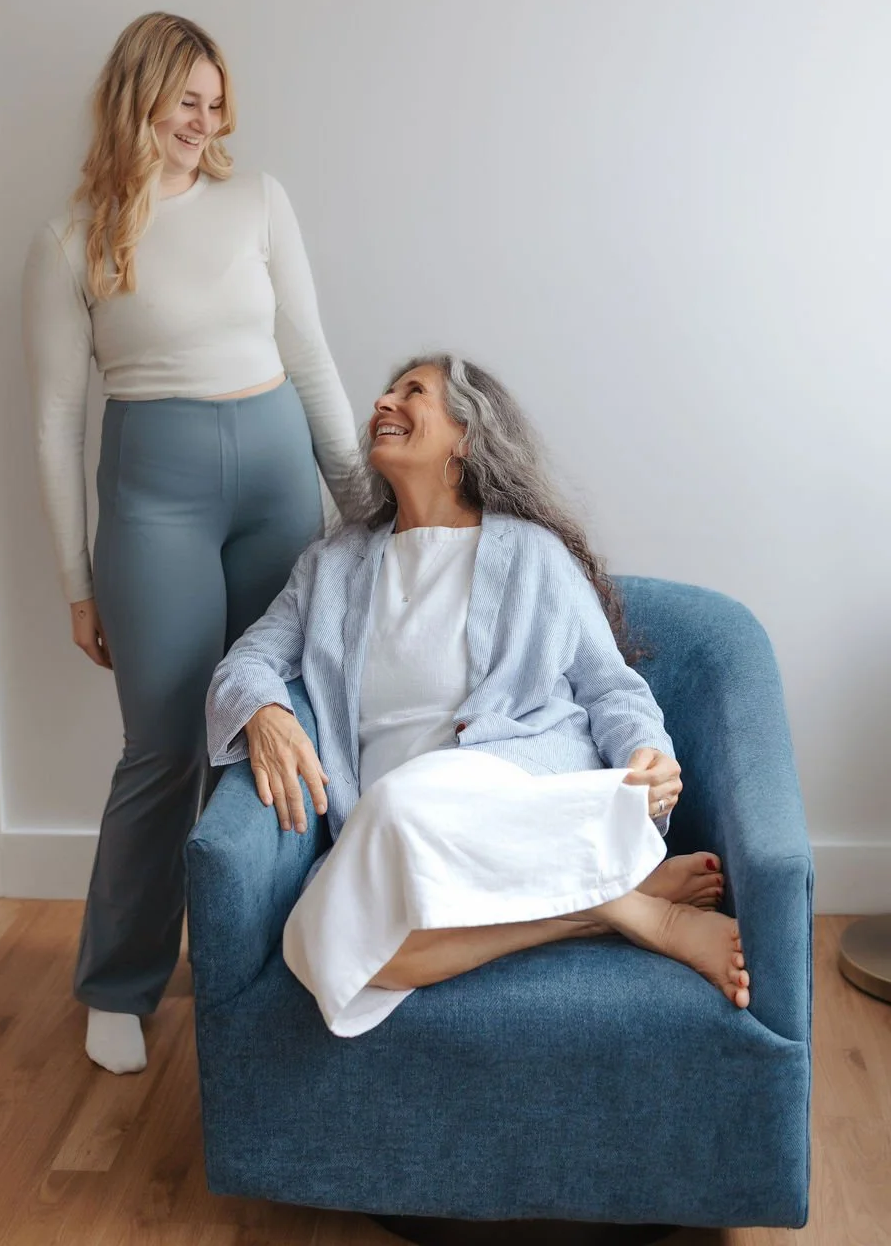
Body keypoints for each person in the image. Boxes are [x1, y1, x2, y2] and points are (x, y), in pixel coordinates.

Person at [205, 354, 747, 1037]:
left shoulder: (531, 553)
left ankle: (646, 911)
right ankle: (607, 903)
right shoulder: (331, 568)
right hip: (394, 828)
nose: (384, 402)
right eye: (387, 391)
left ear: (465, 435)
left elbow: (611, 687)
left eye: (414, 393)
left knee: (400, 805)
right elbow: (246, 662)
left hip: (514, 790)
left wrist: (648, 752)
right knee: (326, 950)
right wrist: (264, 711)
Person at [23, 11, 358, 1072]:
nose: (205, 122)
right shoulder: (73, 238)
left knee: (272, 732)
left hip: (273, 482)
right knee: (165, 747)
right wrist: (75, 582)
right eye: (187, 102)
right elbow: (52, 421)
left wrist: (363, 510)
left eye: (217, 105)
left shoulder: (259, 203)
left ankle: (262, 963)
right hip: (151, 499)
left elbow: (309, 358)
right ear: (140, 99)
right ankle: (118, 983)